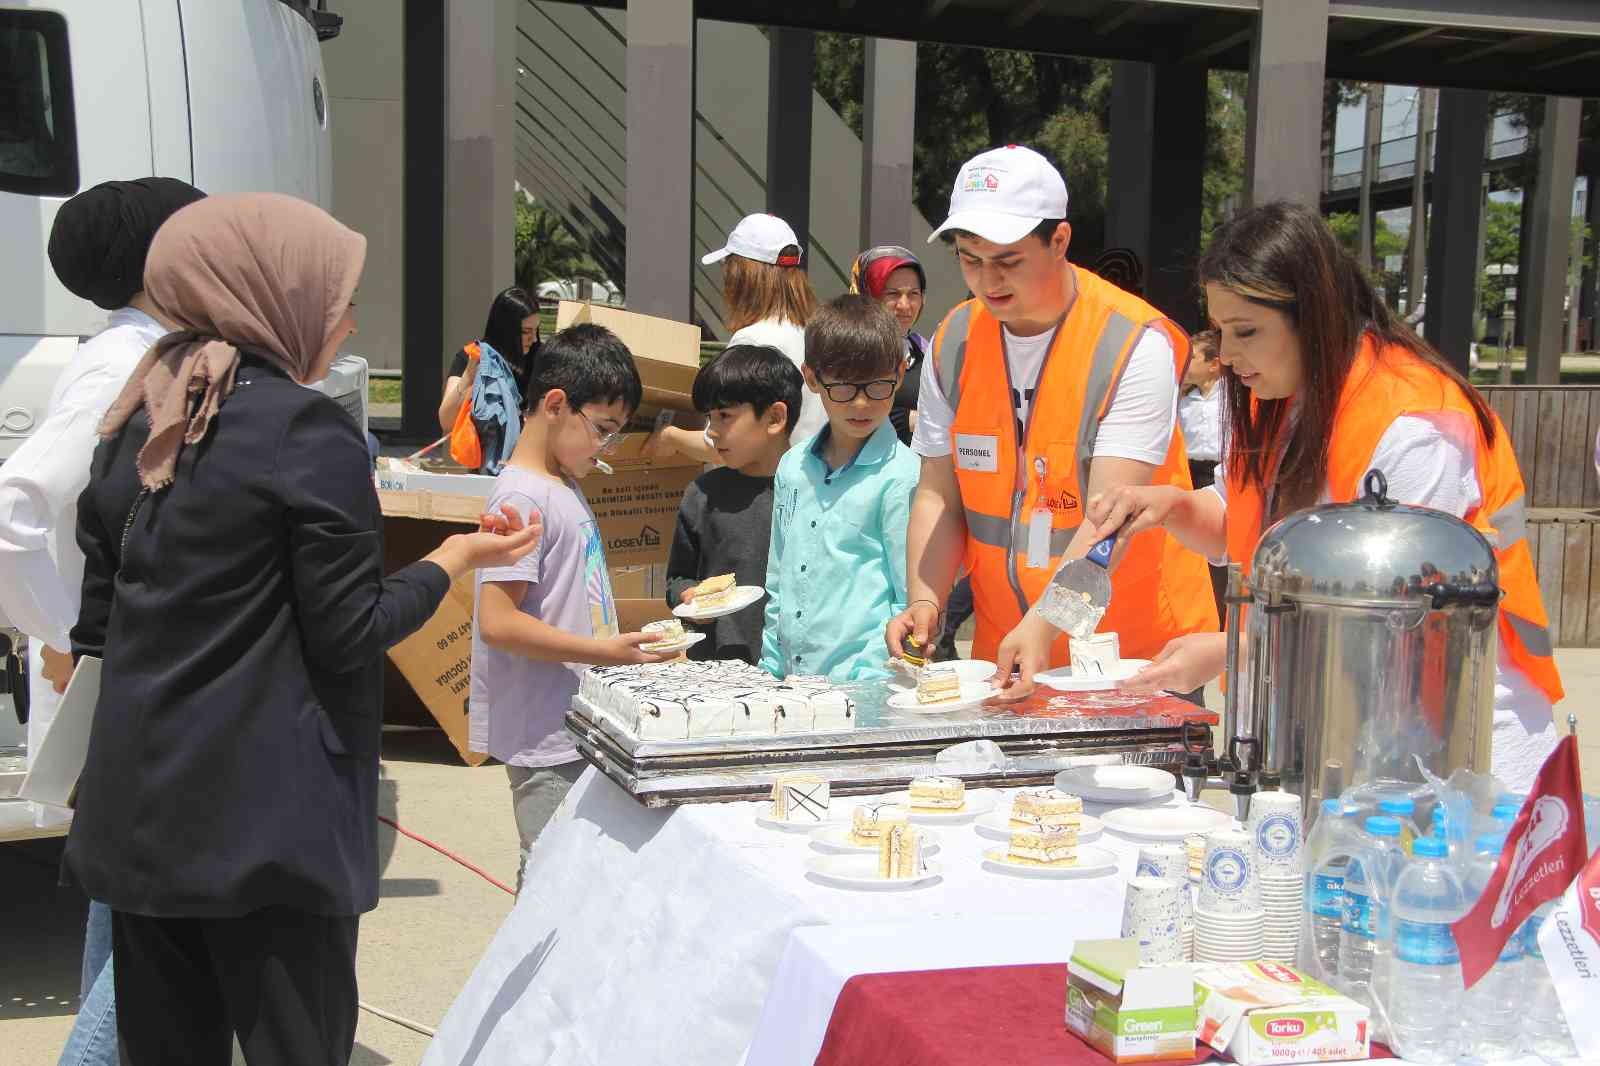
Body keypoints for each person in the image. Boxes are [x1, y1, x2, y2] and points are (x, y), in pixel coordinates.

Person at [62, 192, 541, 1066]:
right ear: (270, 291)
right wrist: (454, 561)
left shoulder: (145, 410)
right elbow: (350, 628)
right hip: (267, 830)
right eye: (337, 295)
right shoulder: (304, 428)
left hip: (141, 815)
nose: (349, 318)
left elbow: (99, 618)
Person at [1089, 201, 1563, 790]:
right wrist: (1170, 505)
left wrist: (1230, 647)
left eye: (1247, 332)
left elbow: (1394, 622)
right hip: (1344, 722)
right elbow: (1243, 525)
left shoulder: (1413, 424)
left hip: (1459, 737)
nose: (1228, 356)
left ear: (1312, 314)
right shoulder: (1279, 400)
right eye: (1220, 332)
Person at [884, 145, 1217, 699]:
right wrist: (925, 598)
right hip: (1007, 657)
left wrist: (1044, 624)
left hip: (1134, 661)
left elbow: (1113, 520)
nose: (987, 281)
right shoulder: (955, 341)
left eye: (1008, 260)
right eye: (970, 259)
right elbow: (939, 494)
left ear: (1059, 241)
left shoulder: (1133, 342)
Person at [0, 176, 203, 1066]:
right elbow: (14, 514)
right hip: (125, 679)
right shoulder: (134, 360)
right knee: (160, 920)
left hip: (126, 677)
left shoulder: (149, 348)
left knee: (127, 908)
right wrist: (66, 637)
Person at [470, 323, 676, 887]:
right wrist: (601, 650)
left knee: (578, 879)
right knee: (551, 886)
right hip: (545, 735)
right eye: (603, 429)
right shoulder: (522, 495)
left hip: (575, 721)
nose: (607, 447)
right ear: (556, 404)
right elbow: (498, 620)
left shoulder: (559, 482)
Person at [759, 295, 919, 682]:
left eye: (878, 386)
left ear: (899, 374)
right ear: (812, 379)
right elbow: (779, 581)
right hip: (789, 684)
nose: (862, 403)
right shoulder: (793, 467)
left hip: (866, 687)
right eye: (845, 388)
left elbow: (910, 601)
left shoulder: (903, 475)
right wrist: (770, 668)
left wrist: (867, 680)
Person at [665, 345, 802, 664]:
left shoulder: (812, 491)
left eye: (724, 416)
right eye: (709, 417)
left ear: (775, 417)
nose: (711, 432)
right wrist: (689, 597)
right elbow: (677, 579)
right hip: (718, 667)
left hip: (798, 670)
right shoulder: (703, 494)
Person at [654, 214, 825, 462]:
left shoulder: (752, 341)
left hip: (767, 490)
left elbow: (725, 445)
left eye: (728, 267)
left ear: (742, 275)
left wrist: (670, 436)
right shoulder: (817, 334)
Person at [849, 244, 929, 446]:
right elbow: (854, 410)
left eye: (914, 294)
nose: (905, 305)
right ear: (869, 295)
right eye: (892, 294)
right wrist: (916, 420)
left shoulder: (921, 347)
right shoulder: (852, 349)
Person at [437, 285, 542, 436]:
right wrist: (469, 376)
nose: (534, 339)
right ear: (505, 330)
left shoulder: (540, 357)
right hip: (485, 455)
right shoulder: (473, 356)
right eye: (526, 331)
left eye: (536, 330)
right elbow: (447, 422)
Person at [1178, 329, 1228, 621]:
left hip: (1220, 470)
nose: (1187, 362)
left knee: (1221, 543)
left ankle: (1222, 610)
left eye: (1193, 356)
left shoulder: (1230, 398)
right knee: (1193, 545)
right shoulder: (1186, 402)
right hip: (1193, 471)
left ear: (1213, 364)